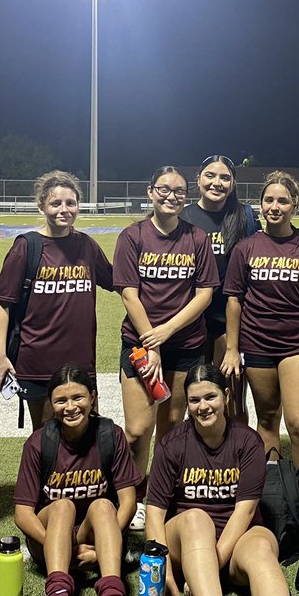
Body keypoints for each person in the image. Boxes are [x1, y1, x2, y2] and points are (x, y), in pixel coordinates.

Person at [146, 364, 298, 596]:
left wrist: (208, 566)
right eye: (194, 400)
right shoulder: (172, 444)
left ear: (226, 396)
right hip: (187, 541)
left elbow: (244, 511)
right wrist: (166, 575)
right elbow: (155, 512)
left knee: (261, 547)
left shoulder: (248, 442)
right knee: (197, 518)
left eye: (210, 397)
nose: (203, 407)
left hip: (235, 538)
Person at [113, 166, 219, 530]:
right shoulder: (133, 236)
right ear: (150, 191)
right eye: (164, 189)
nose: (171, 196)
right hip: (141, 348)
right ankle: (134, 495)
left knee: (172, 428)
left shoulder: (197, 237)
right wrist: (150, 340)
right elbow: (129, 292)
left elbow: (205, 293)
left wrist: (167, 331)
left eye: (178, 191)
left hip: (186, 346)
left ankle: (160, 495)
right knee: (138, 430)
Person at [222, 170, 299, 502]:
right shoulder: (246, 247)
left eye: (282, 200)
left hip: (298, 345)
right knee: (266, 420)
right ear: (260, 205)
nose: (274, 206)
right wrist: (231, 348)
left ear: (294, 205)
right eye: (268, 199)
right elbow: (234, 299)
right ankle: (273, 493)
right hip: (256, 345)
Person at [14, 366, 140, 596]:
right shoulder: (40, 442)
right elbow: (22, 513)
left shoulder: (110, 434)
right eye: (61, 400)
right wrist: (59, 546)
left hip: (95, 535)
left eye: (78, 397)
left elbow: (129, 501)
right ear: (51, 404)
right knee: (62, 506)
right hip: (52, 537)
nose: (70, 407)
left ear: (92, 398)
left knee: (103, 504)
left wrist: (105, 544)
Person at [0, 171, 114, 429]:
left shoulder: (87, 246)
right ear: (42, 206)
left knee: (86, 435)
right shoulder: (27, 246)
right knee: (46, 437)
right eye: (56, 203)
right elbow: (4, 303)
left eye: (71, 203)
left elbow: (118, 282)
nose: (64, 210)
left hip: (81, 363)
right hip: (37, 362)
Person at [181, 155, 261, 421]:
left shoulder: (245, 216)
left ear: (233, 182)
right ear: (199, 179)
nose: (217, 182)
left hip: (231, 320)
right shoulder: (184, 215)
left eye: (225, 177)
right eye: (210, 176)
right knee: (195, 396)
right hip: (191, 320)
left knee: (233, 398)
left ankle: (237, 453)